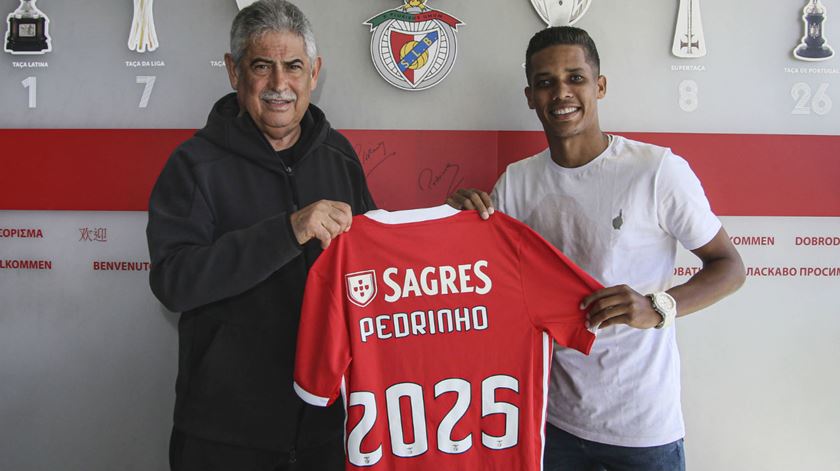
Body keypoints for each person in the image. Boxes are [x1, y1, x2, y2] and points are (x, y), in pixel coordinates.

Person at [447, 27, 745, 471]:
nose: (561, 92)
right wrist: (456, 223)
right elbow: (487, 284)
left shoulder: (657, 170)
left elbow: (731, 267)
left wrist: (657, 305)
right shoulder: (516, 182)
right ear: (530, 96)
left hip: (643, 428)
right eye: (546, 82)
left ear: (599, 86)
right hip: (552, 421)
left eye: (575, 78)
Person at [145, 1, 375, 470]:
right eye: (261, 67)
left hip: (326, 427)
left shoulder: (340, 156)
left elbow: (373, 259)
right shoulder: (193, 165)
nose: (278, 85)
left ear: (314, 71)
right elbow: (173, 281)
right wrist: (288, 231)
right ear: (234, 72)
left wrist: (453, 223)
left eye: (293, 67)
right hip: (225, 434)